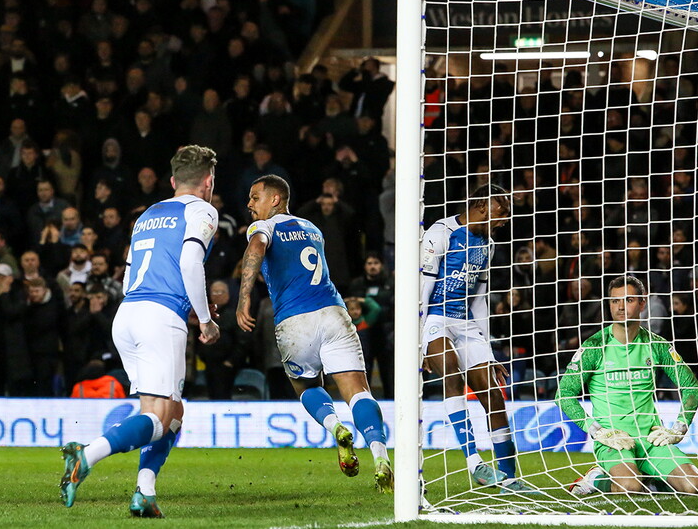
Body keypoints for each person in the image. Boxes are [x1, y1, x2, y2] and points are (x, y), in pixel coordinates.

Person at [60, 145, 221, 518]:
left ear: (171, 181)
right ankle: (87, 455)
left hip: (128, 313)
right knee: (160, 417)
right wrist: (205, 320)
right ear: (208, 181)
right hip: (160, 317)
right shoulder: (202, 210)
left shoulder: (148, 214)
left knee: (172, 413)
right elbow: (190, 261)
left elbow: (131, 272)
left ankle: (144, 493)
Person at [236, 174, 393, 493]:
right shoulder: (313, 229)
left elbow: (257, 246)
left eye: (255, 197)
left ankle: (336, 427)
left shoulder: (264, 226)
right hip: (334, 312)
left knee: (305, 384)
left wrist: (244, 298)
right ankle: (380, 457)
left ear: (275, 199)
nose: (250, 205)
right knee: (359, 391)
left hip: (295, 319)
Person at [421, 183, 537, 493]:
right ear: (482, 207)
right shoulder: (440, 233)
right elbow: (422, 290)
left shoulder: (489, 244)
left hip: (466, 323)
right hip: (435, 318)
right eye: (501, 214)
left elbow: (480, 298)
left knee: (494, 395)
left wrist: (488, 348)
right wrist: (418, 341)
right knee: (451, 369)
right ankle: (476, 464)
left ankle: (510, 478)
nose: (504, 220)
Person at [557, 275, 698, 495]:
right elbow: (564, 394)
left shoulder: (656, 345)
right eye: (615, 301)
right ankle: (596, 479)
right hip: (614, 441)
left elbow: (691, 387)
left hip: (652, 441)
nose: (620, 307)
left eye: (628, 300)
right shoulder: (595, 345)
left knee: (695, 486)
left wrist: (678, 428)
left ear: (642, 303)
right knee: (630, 487)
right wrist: (598, 432)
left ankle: (648, 478)